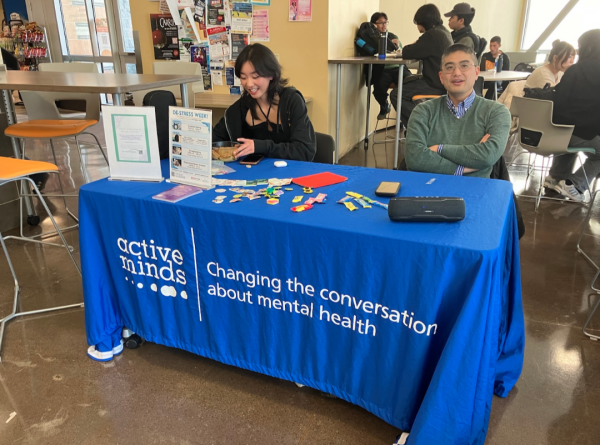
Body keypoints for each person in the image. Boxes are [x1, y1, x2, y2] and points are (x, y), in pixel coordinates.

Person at [405, 44, 511, 178]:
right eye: (449, 67)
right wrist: (464, 168)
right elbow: (415, 158)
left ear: (477, 72)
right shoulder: (423, 111)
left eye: (464, 66)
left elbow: (489, 155)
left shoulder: (496, 112)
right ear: (441, 77)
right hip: (426, 190)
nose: (456, 73)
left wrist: (439, 149)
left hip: (475, 193)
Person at [212, 43, 316, 161]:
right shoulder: (238, 110)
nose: (249, 84)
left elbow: (305, 151)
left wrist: (259, 146)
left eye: (255, 76)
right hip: (253, 175)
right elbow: (213, 142)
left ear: (271, 74)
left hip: (291, 173)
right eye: (243, 77)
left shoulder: (291, 102)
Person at [544, 30, 600, 202]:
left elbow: (558, 99)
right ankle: (575, 184)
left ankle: (555, 178)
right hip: (584, 133)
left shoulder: (574, 70)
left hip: (558, 133)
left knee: (570, 135)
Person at [389, 4, 452, 126]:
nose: (417, 26)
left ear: (423, 21)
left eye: (417, 22)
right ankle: (420, 125)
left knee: (396, 94)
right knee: (407, 80)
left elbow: (408, 52)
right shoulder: (443, 32)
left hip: (435, 83)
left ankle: (419, 127)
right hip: (442, 81)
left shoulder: (431, 35)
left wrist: (415, 43)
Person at [359, 12, 405, 119]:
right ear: (373, 25)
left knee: (408, 83)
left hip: (398, 68)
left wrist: (398, 45)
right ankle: (384, 106)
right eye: (380, 23)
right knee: (378, 88)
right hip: (383, 69)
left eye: (385, 22)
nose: (384, 25)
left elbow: (401, 52)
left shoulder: (393, 36)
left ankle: (405, 116)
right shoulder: (369, 38)